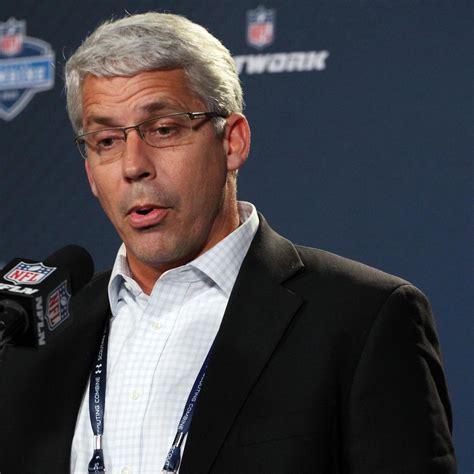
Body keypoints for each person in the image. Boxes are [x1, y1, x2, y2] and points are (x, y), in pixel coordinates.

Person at [0, 12, 455, 474]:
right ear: (90, 173)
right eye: (106, 141)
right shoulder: (33, 338)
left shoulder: (363, 319)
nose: (133, 166)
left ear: (233, 141)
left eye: (163, 129)